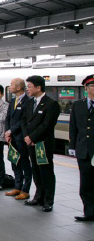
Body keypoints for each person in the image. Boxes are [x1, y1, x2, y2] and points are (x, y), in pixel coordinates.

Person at [22, 75, 60, 212]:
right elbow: (24, 121)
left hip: (43, 144)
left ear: (38, 87)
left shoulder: (51, 104)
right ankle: (38, 196)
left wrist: (32, 137)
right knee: (36, 171)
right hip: (31, 143)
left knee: (46, 172)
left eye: (30, 86)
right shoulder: (30, 103)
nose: (27, 89)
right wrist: (26, 136)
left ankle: (48, 200)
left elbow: (47, 125)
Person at [69, 74, 94, 221]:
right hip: (83, 151)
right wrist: (72, 146)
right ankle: (89, 212)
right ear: (86, 88)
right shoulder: (78, 105)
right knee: (85, 184)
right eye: (92, 86)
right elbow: (73, 128)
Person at [4, 78, 32, 200]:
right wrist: (7, 131)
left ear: (19, 87)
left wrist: (11, 131)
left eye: (11, 85)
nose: (9, 87)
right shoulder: (13, 100)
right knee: (15, 162)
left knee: (25, 163)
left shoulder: (28, 101)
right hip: (12, 137)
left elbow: (23, 121)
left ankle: (25, 190)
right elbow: (8, 117)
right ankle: (17, 186)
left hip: (21, 137)